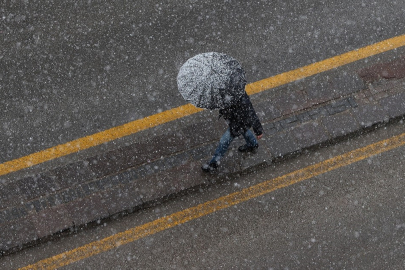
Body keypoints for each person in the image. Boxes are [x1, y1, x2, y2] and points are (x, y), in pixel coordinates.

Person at [202, 91, 263, 172]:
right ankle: (253, 144)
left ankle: (213, 163)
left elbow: (251, 112)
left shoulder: (241, 96)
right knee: (244, 130)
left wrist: (258, 129)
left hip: (238, 122)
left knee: (224, 141)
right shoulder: (224, 92)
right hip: (236, 120)